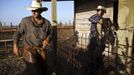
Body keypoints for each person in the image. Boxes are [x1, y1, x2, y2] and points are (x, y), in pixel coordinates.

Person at [13, 0, 51, 75]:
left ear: (41, 11)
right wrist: (15, 46)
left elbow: (50, 34)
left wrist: (47, 39)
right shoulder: (25, 21)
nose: (33, 12)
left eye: (36, 10)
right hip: (29, 50)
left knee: (43, 69)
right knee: (34, 70)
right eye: (32, 10)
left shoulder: (47, 23)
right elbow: (17, 33)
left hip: (41, 50)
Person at [87, 5, 107, 75]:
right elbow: (89, 19)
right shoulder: (95, 16)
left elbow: (103, 26)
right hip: (93, 34)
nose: (101, 12)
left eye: (102, 11)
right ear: (98, 10)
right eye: (100, 10)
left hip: (99, 34)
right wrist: (98, 21)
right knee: (92, 49)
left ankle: (97, 59)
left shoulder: (102, 18)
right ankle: (90, 64)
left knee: (100, 48)